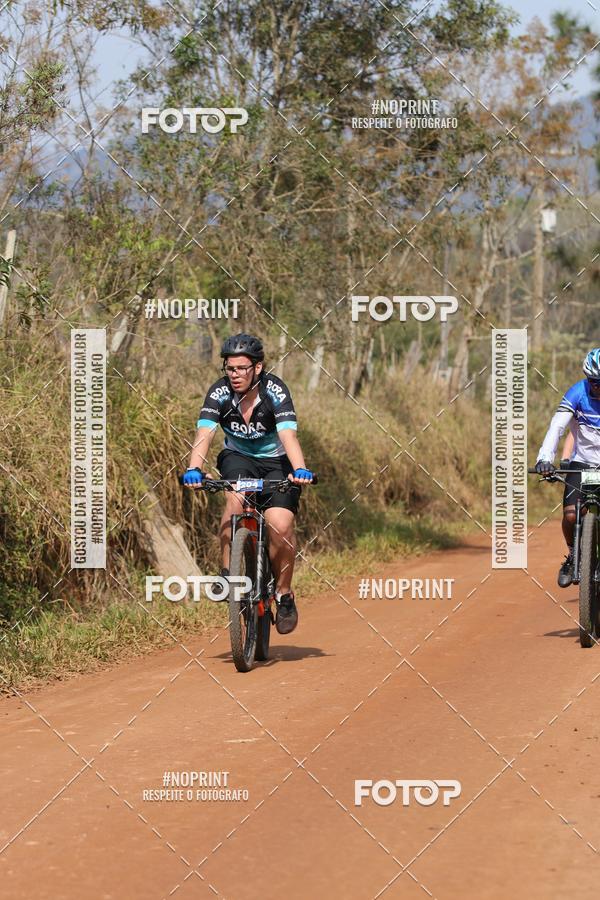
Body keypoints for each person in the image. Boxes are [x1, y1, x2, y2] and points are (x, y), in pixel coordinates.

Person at [182, 333, 314, 634]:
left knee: (280, 524)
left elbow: (288, 436)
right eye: (230, 369)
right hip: (238, 457)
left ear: (257, 367)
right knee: (235, 498)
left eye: (242, 368)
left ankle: (283, 593)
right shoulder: (219, 393)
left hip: (278, 462)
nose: (235, 375)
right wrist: (194, 469)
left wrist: (300, 469)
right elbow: (205, 433)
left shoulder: (275, 391)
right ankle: (229, 575)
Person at [535, 349, 600, 587]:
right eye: (595, 383)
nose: (598, 388)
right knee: (572, 515)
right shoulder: (577, 393)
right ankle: (573, 555)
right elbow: (557, 427)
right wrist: (544, 458)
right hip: (582, 462)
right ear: (587, 379)